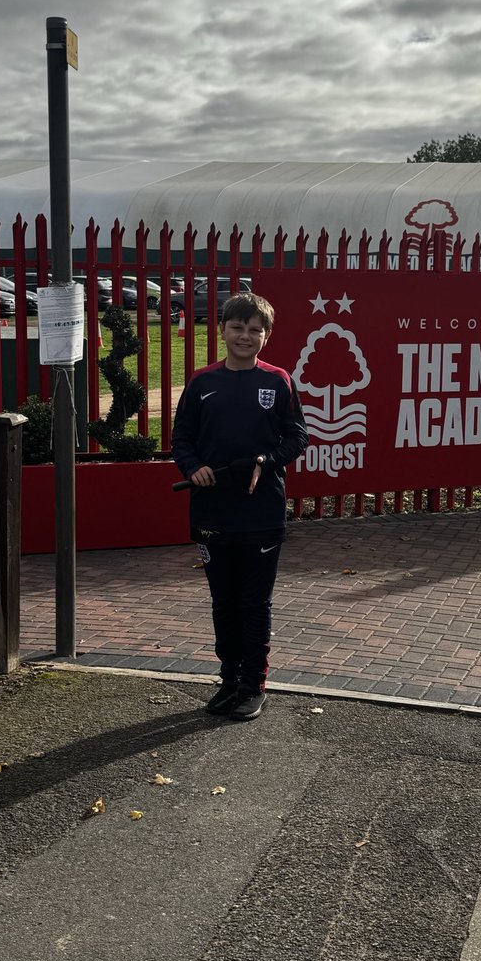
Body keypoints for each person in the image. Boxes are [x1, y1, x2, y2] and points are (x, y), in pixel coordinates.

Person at [171, 291, 308, 721]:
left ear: (267, 336)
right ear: (222, 330)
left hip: (261, 511)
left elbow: (298, 437)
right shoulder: (201, 382)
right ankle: (229, 681)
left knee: (254, 602)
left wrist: (267, 460)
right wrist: (193, 468)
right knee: (223, 602)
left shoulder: (279, 380)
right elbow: (181, 437)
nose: (245, 336)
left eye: (254, 329)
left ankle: (253, 686)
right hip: (212, 509)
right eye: (237, 327)